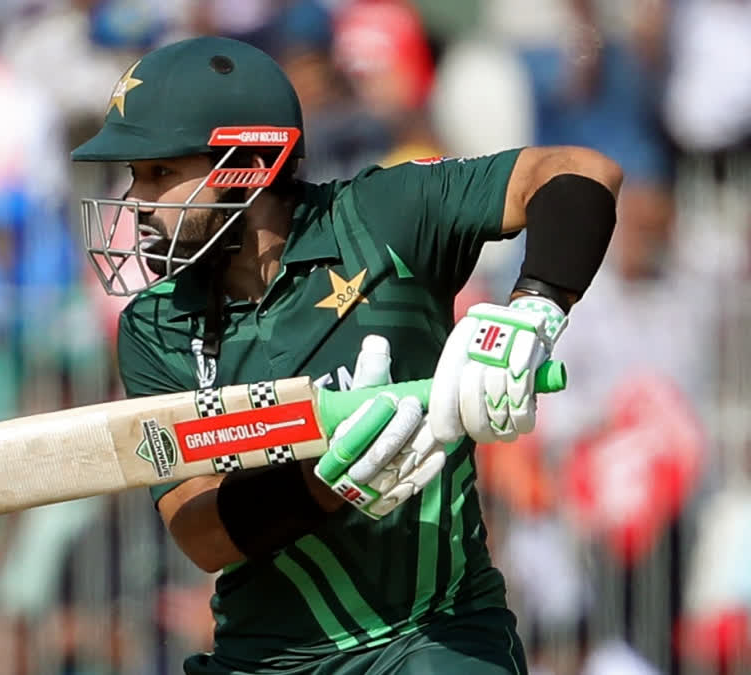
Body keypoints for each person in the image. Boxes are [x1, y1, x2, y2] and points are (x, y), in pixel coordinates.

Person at [69, 36, 623, 674]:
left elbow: (579, 170)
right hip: (266, 658)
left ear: (246, 162)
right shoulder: (154, 324)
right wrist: (327, 484)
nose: (136, 201)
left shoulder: (382, 216)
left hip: (432, 633)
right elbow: (200, 531)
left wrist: (535, 307)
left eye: (160, 173)